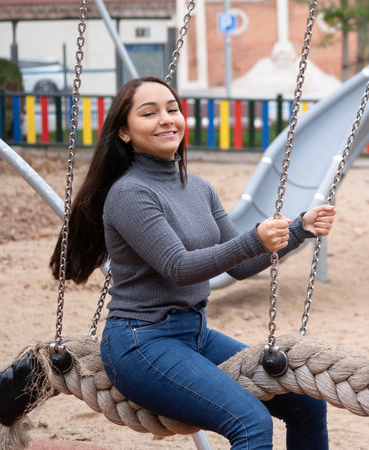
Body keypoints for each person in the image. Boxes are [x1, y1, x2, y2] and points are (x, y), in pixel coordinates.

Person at [50, 76, 335, 449]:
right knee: (250, 421)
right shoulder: (129, 194)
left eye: (173, 109)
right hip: (140, 343)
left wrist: (300, 230)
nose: (167, 119)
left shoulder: (198, 187)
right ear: (123, 132)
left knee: (306, 404)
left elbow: (240, 265)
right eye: (149, 113)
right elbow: (179, 267)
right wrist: (255, 238)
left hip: (195, 335)